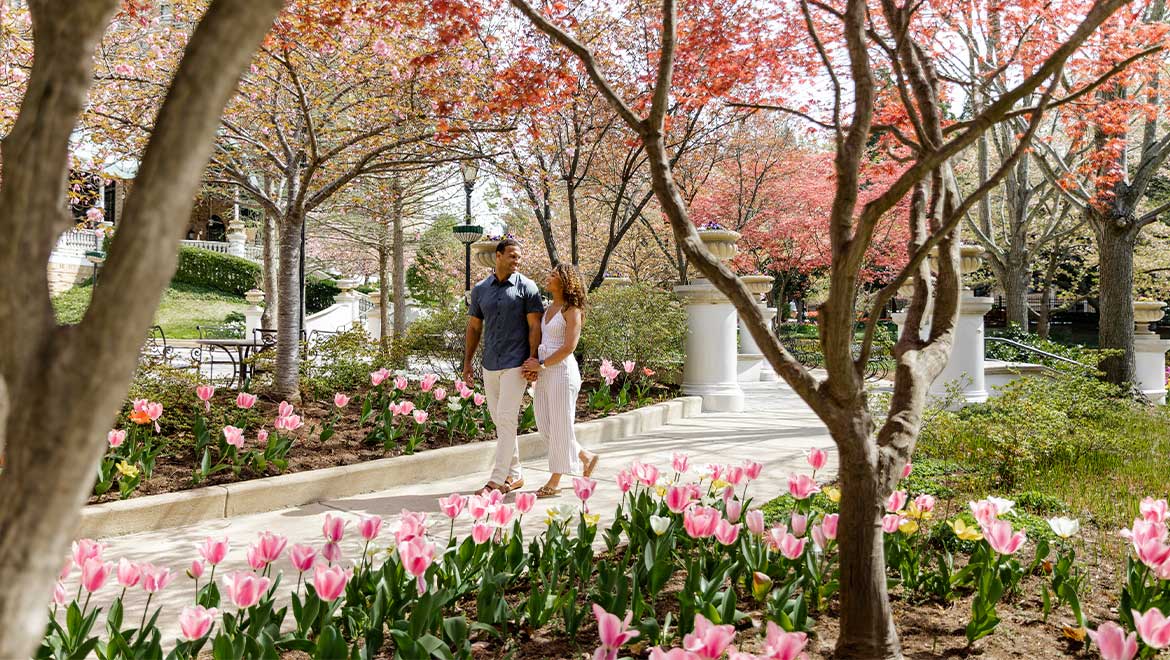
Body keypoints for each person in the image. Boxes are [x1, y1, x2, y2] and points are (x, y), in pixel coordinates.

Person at [463, 238, 543, 494]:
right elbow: (474, 327)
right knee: (500, 420)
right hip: (490, 363)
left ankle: (497, 480)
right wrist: (467, 363)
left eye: (519, 257)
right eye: (512, 256)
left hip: (516, 363)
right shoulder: (480, 289)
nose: (516, 261)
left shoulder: (528, 287)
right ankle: (515, 474)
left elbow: (535, 326)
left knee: (507, 417)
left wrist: (533, 358)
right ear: (498, 256)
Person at [523, 264, 598, 498]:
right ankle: (585, 457)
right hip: (545, 373)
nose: (549, 277)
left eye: (554, 275)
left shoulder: (572, 310)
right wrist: (535, 364)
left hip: (563, 373)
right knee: (545, 426)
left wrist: (542, 364)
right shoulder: (548, 309)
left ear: (566, 281)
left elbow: (569, 347)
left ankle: (555, 479)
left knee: (561, 426)